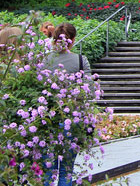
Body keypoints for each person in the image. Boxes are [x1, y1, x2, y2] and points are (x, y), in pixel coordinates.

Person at [43, 23, 90, 186]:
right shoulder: (80, 60)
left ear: (54, 39)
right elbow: (89, 91)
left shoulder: (44, 60)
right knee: (67, 171)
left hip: (46, 121)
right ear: (73, 39)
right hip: (71, 119)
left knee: (47, 171)